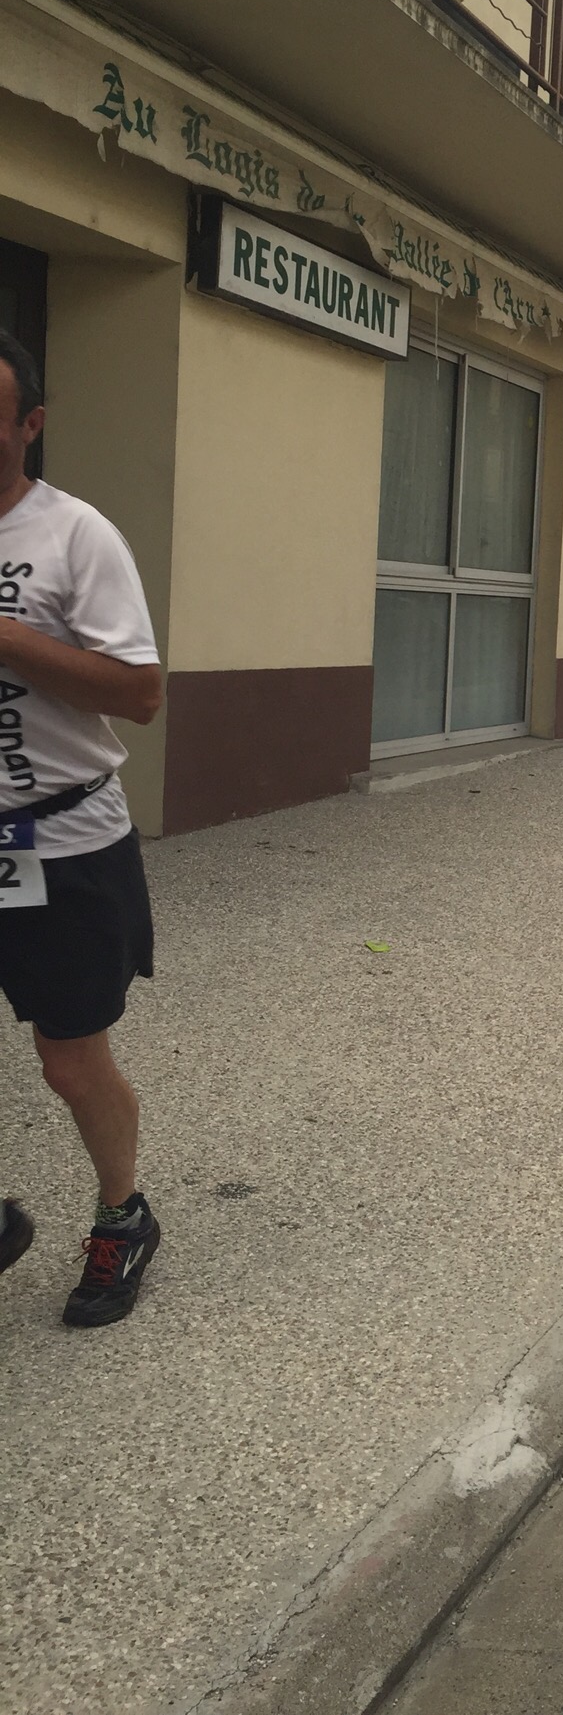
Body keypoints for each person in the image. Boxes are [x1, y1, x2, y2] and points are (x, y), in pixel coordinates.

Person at [0, 331, 164, 1327]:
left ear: (30, 424)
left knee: (67, 1059)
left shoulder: (75, 535)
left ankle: (123, 1213)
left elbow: (140, 693)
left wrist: (7, 636)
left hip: (57, 840)